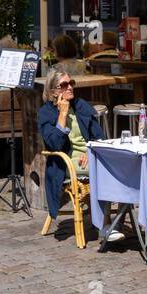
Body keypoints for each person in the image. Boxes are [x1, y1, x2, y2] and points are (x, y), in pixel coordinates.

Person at [39, 71, 110, 233]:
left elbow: (99, 136)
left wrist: (90, 150)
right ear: (53, 91)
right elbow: (54, 144)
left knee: (119, 166)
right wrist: (63, 114)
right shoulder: (46, 113)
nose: (70, 87)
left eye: (71, 83)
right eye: (64, 85)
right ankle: (106, 226)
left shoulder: (80, 106)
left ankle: (111, 222)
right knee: (108, 171)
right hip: (65, 164)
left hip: (90, 157)